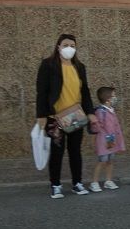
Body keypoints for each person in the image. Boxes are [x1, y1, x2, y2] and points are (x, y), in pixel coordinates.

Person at [36, 34, 98, 199]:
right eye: (65, 45)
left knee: (75, 151)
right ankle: (55, 185)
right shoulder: (48, 65)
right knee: (57, 152)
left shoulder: (79, 66)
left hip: (75, 115)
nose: (69, 48)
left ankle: (77, 183)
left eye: (72, 45)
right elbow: (41, 92)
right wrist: (41, 116)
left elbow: (85, 91)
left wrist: (90, 112)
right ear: (58, 47)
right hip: (55, 117)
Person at [89, 87, 126, 192]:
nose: (115, 98)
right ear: (107, 99)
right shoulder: (101, 112)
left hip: (111, 141)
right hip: (104, 141)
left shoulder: (111, 110)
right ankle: (94, 182)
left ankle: (108, 181)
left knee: (110, 161)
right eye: (113, 96)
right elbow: (96, 127)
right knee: (102, 161)